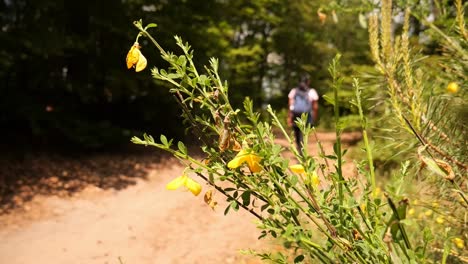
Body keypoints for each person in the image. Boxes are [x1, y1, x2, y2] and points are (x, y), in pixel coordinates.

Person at [287, 75, 319, 152]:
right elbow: (315, 107)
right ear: (308, 82)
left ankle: (299, 148)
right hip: (307, 116)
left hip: (295, 115)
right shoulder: (312, 91)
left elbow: (290, 105)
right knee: (304, 134)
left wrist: (289, 117)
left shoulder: (294, 91)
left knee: (297, 133)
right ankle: (302, 152)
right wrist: (314, 117)